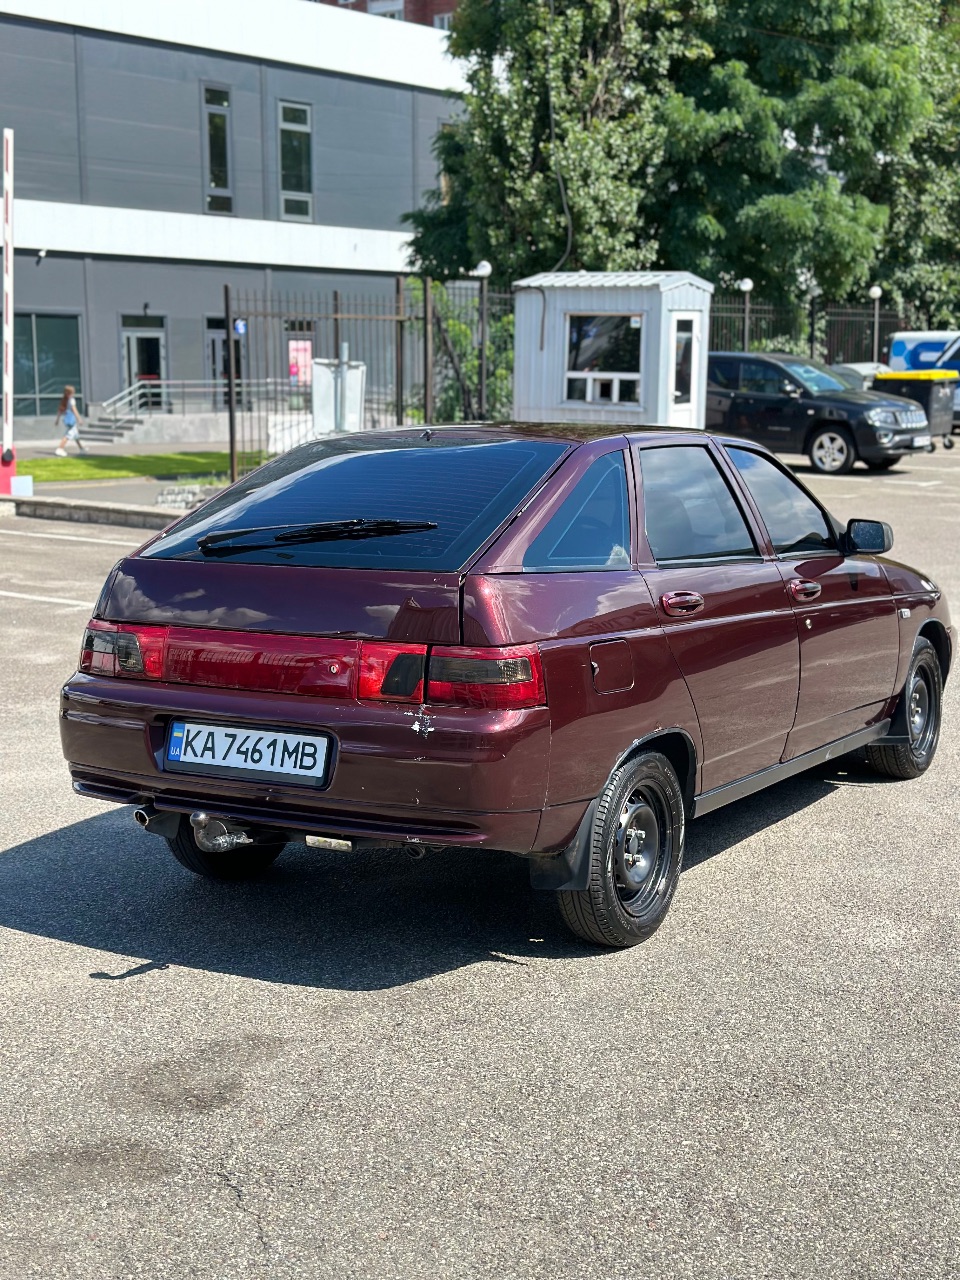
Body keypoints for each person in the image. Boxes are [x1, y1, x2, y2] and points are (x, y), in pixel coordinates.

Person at [54, 385, 86, 456]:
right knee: (68, 435)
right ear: (70, 393)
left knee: (76, 435)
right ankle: (60, 449)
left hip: (68, 419)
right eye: (72, 392)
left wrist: (57, 420)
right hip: (72, 420)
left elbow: (60, 411)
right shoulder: (71, 400)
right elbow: (74, 410)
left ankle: (81, 449)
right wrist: (79, 419)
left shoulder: (64, 400)